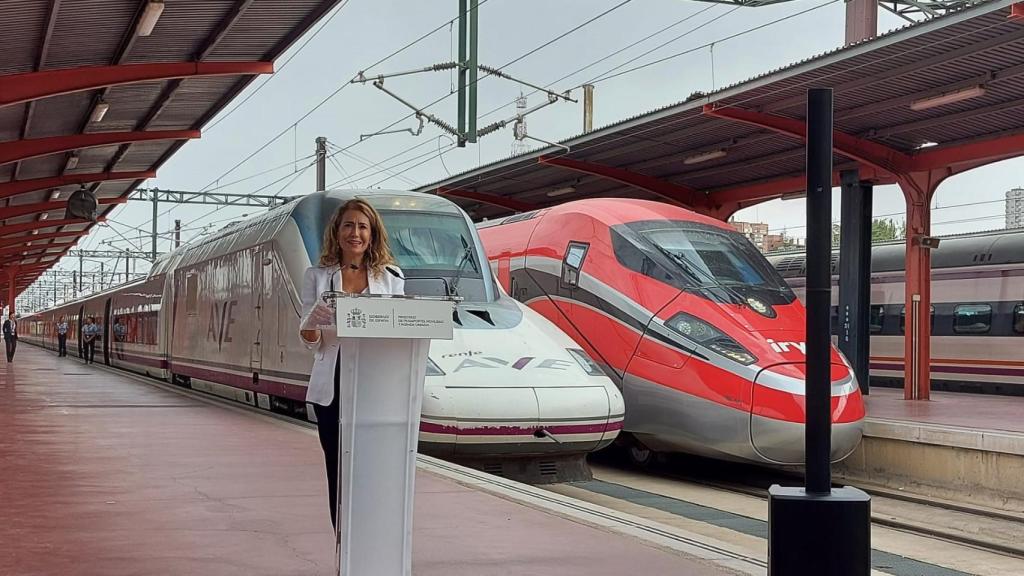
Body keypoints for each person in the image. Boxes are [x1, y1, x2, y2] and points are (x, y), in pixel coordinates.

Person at [299, 199, 404, 531]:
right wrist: (313, 319)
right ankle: (343, 544)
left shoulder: (391, 278)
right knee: (339, 469)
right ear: (337, 231)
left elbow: (401, 330)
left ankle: (372, 539)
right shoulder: (316, 276)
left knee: (374, 468)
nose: (355, 233)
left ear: (372, 235)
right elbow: (308, 340)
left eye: (362, 226)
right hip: (333, 384)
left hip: (376, 383)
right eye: (348, 225)